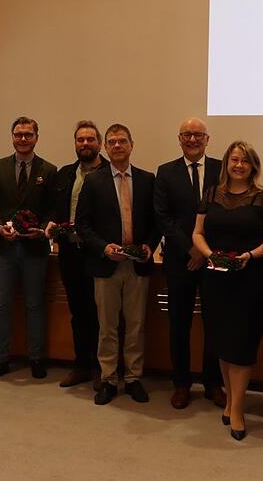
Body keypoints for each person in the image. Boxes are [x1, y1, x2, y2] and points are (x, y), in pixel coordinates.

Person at [192, 141, 263, 440]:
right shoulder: (211, 194)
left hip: (251, 279)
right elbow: (198, 232)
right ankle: (229, 401)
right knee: (222, 341)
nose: (238, 165)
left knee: (241, 345)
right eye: (233, 160)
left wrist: (251, 255)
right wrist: (208, 254)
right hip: (216, 278)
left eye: (244, 161)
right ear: (226, 163)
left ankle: (238, 409)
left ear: (252, 165)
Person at [75, 123, 160, 405]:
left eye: (122, 141)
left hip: (137, 265)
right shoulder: (94, 181)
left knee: (136, 324)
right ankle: (109, 379)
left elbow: (156, 221)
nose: (117, 146)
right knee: (107, 326)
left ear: (131, 145)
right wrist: (103, 248)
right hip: (106, 265)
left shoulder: (148, 180)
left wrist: (149, 244)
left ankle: (134, 378)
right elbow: (83, 226)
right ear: (105, 147)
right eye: (111, 142)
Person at [153, 117, 225, 410]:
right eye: (186, 135)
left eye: (198, 135)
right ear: (179, 139)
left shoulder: (223, 170)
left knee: (214, 323)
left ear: (207, 139)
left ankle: (212, 382)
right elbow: (162, 216)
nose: (192, 140)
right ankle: (181, 383)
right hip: (179, 260)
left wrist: (205, 251)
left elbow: (227, 214)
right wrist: (190, 248)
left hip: (213, 261)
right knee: (179, 323)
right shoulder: (166, 172)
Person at [0, 116, 57, 381]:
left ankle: (36, 357)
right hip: (3, 248)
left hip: (35, 249)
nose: (23, 139)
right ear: (12, 137)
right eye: (18, 134)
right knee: (1, 305)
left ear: (37, 137)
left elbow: (53, 209)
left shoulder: (48, 170)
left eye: (28, 134)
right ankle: (0, 359)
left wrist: (44, 227)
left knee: (35, 305)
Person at [46, 120, 108, 389]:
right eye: (80, 140)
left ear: (99, 144)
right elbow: (55, 208)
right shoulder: (64, 174)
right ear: (75, 144)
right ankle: (81, 364)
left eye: (90, 139)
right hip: (70, 252)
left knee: (101, 313)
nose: (85, 144)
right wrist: (50, 223)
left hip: (98, 253)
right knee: (78, 312)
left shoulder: (110, 174)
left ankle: (101, 367)